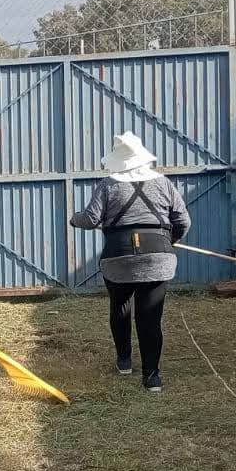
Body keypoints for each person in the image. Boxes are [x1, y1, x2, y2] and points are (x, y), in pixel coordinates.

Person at [70, 132, 190, 394]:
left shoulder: (108, 185)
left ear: (117, 160)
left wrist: (73, 218)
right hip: (158, 253)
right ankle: (152, 377)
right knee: (150, 317)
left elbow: (90, 219)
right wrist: (171, 241)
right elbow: (183, 221)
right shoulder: (164, 184)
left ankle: (124, 361)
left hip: (118, 255)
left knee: (120, 305)